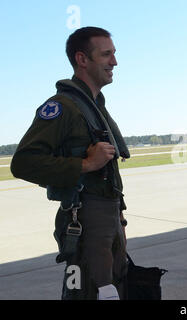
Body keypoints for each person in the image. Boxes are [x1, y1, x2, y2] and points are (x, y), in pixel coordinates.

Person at [10, 27, 130, 300]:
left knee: (114, 288)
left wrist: (119, 217)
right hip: (86, 219)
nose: (114, 62)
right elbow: (24, 162)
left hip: (108, 217)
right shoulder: (63, 107)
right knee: (89, 291)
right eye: (107, 54)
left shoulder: (94, 106)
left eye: (114, 54)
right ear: (82, 59)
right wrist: (85, 165)